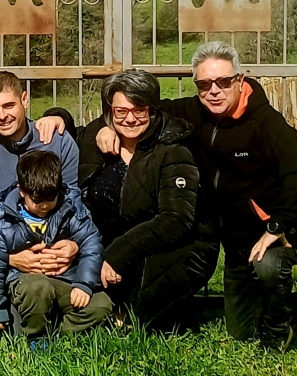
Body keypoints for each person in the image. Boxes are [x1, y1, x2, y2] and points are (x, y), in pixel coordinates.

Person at [41, 42, 297, 352]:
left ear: (240, 80)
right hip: (232, 235)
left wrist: (276, 226)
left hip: (270, 227)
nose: (214, 90)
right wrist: (84, 121)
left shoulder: (266, 123)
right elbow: (135, 108)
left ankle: (283, 331)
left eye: (223, 81)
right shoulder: (192, 112)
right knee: (241, 330)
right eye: (204, 84)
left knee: (269, 267)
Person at [78, 69, 218, 331]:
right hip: (113, 240)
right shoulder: (94, 139)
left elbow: (176, 219)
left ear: (153, 109)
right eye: (121, 111)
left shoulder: (174, 148)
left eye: (139, 110)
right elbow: (57, 134)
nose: (130, 119)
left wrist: (116, 256)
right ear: (110, 113)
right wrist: (56, 116)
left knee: (147, 314)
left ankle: (152, 313)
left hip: (172, 244)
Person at [0, 150, 112, 343]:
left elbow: (91, 243)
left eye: (51, 199)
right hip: (25, 283)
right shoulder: (3, 218)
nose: (44, 206)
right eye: (37, 200)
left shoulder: (71, 208)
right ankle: (36, 336)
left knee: (101, 305)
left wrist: (83, 284)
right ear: (22, 190)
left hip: (64, 279)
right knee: (39, 287)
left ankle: (63, 334)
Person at [0, 71, 82, 279]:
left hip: (59, 259)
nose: (1, 115)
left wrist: (74, 243)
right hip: (3, 264)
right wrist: (8, 256)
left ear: (24, 100)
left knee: (96, 307)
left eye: (9, 105)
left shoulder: (58, 142)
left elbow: (75, 202)